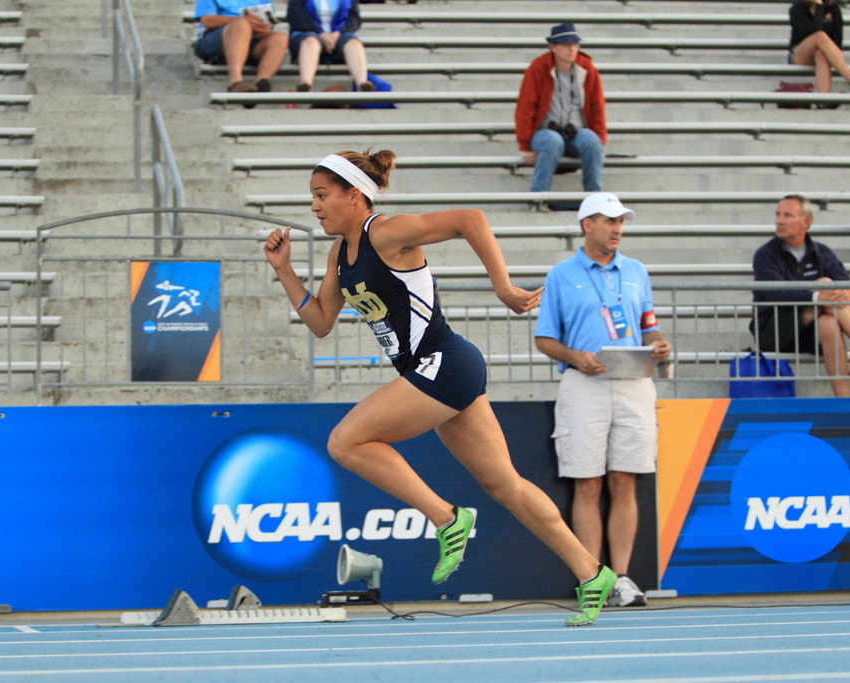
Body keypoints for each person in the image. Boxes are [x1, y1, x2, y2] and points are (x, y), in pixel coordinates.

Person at [263, 150, 617, 627]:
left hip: (444, 362)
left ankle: (446, 518)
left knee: (346, 442)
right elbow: (321, 322)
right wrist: (284, 269)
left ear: (354, 195)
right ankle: (591, 573)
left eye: (321, 196)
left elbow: (470, 219)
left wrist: (504, 287)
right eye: (312, 197)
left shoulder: (384, 232)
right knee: (504, 484)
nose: (314, 207)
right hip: (439, 370)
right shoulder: (338, 254)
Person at [533, 192, 671, 608]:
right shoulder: (561, 274)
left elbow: (649, 326)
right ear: (586, 225)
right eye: (608, 220)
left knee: (625, 480)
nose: (617, 229)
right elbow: (543, 338)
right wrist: (574, 355)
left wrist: (659, 345)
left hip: (633, 381)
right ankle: (592, 577)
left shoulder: (636, 271)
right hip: (584, 384)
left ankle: (623, 578)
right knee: (588, 483)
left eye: (620, 221)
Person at [752, 195, 850, 398]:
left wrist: (846, 293)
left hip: (813, 329)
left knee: (828, 321)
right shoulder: (765, 255)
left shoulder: (821, 252)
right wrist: (816, 295)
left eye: (788, 216)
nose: (780, 221)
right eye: (778, 215)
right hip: (776, 329)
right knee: (824, 285)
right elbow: (775, 293)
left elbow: (846, 285)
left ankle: (842, 400)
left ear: (806, 222)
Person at [515, 23, 606, 194]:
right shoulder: (538, 68)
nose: (571, 49)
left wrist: (600, 139)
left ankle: (595, 200)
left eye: (575, 44)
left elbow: (597, 105)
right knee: (552, 141)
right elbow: (526, 107)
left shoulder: (586, 68)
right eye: (565, 45)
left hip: (576, 132)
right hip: (545, 132)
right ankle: (539, 196)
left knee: (592, 141)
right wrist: (525, 145)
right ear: (553, 47)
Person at [193, 0, 289, 96]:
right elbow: (207, 21)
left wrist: (263, 28)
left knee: (280, 37)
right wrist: (242, 20)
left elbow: (269, 19)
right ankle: (235, 81)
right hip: (217, 37)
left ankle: (261, 83)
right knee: (241, 24)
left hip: (252, 37)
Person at [287, 0, 373, 92]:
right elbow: (296, 16)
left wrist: (337, 33)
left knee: (353, 42)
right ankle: (305, 84)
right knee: (311, 41)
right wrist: (321, 33)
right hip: (306, 32)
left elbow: (354, 18)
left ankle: (362, 84)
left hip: (337, 35)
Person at [788, 0, 850, 96]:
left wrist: (827, 50)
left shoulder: (833, 8)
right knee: (820, 36)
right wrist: (819, 5)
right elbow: (812, 31)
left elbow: (837, 40)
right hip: (800, 54)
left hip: (825, 53)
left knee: (821, 54)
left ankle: (824, 100)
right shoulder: (796, 9)